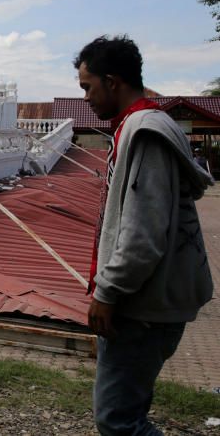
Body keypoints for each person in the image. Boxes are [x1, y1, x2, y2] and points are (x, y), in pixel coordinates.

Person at [75, 36, 213, 435]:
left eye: (88, 86)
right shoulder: (140, 125)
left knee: (117, 421)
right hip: (150, 303)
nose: (86, 98)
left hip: (142, 308)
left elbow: (142, 234)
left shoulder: (144, 132)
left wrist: (107, 291)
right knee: (129, 410)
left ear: (113, 81)